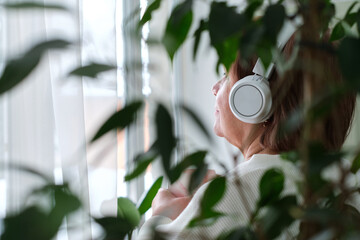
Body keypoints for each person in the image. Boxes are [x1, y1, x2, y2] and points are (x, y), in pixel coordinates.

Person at [137, 31, 356, 239]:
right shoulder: (344, 182)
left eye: (225, 76)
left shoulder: (248, 189)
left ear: (256, 97)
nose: (215, 87)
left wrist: (162, 214)